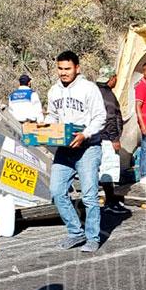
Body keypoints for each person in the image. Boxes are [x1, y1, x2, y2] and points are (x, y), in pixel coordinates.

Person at [46, 51, 107, 253]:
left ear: (77, 68)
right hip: (65, 149)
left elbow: (100, 117)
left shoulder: (88, 89)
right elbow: (53, 117)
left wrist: (85, 134)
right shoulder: (53, 91)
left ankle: (92, 237)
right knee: (56, 191)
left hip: (88, 148)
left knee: (89, 195)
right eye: (60, 69)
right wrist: (44, 130)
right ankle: (75, 232)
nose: (63, 73)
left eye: (67, 69)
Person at [95, 66, 128, 214]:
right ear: (111, 79)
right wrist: (114, 138)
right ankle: (110, 203)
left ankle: (108, 200)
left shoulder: (96, 92)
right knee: (108, 170)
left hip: (98, 136)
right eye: (115, 78)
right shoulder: (107, 96)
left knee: (101, 169)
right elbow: (110, 118)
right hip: (106, 138)